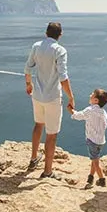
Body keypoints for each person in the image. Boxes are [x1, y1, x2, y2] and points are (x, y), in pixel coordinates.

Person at [24, 22, 75, 178]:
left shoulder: (36, 46)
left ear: (46, 32)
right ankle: (47, 171)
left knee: (38, 125)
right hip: (52, 96)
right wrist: (71, 97)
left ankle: (33, 159)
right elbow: (63, 77)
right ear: (60, 35)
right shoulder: (60, 50)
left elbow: (27, 68)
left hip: (37, 95)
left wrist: (29, 84)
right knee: (51, 134)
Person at [68, 89, 107, 189]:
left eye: (92, 94)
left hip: (92, 140)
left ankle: (102, 180)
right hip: (101, 140)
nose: (90, 94)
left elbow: (78, 116)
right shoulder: (104, 112)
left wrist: (71, 111)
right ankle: (90, 178)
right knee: (94, 159)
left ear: (96, 100)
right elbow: (105, 124)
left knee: (95, 161)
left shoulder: (90, 110)